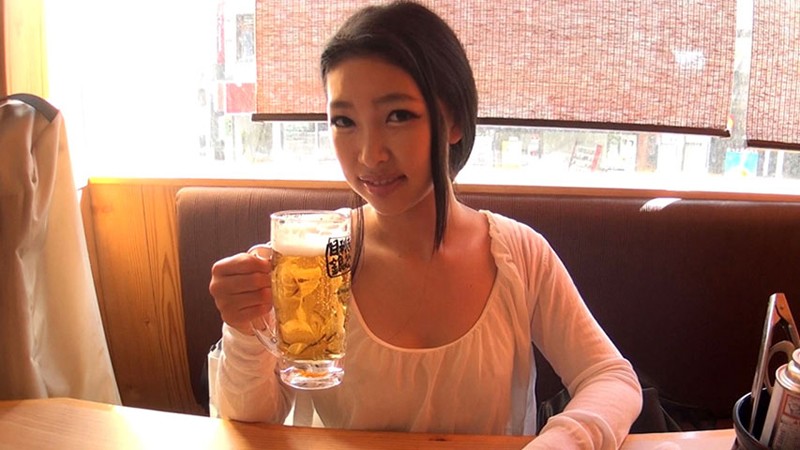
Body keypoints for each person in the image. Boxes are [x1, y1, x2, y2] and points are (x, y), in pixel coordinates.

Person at [208, 1, 642, 448]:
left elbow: (609, 376)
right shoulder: (310, 263)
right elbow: (250, 422)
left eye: (398, 115)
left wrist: (563, 441)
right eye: (344, 121)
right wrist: (243, 329)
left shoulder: (518, 255)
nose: (370, 155)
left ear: (453, 120)